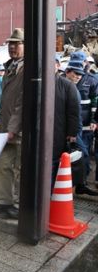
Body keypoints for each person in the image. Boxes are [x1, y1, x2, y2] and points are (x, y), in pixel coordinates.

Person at [0, 28, 24, 220]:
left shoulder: (28, 68)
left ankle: (18, 205)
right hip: (5, 127)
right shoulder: (10, 67)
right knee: (1, 165)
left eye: (17, 43)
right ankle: (3, 201)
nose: (12, 47)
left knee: (19, 169)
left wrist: (12, 128)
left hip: (18, 130)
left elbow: (23, 102)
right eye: (10, 43)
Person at [64, 52, 98, 196]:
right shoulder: (63, 82)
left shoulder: (91, 80)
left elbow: (94, 101)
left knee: (82, 155)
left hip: (85, 126)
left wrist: (93, 120)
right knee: (75, 155)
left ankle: (80, 184)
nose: (78, 75)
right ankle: (71, 184)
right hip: (70, 128)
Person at [53, 55, 80, 188]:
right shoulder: (35, 82)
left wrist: (72, 133)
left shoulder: (67, 86)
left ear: (58, 66)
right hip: (37, 134)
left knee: (54, 165)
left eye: (53, 63)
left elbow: (74, 112)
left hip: (58, 133)